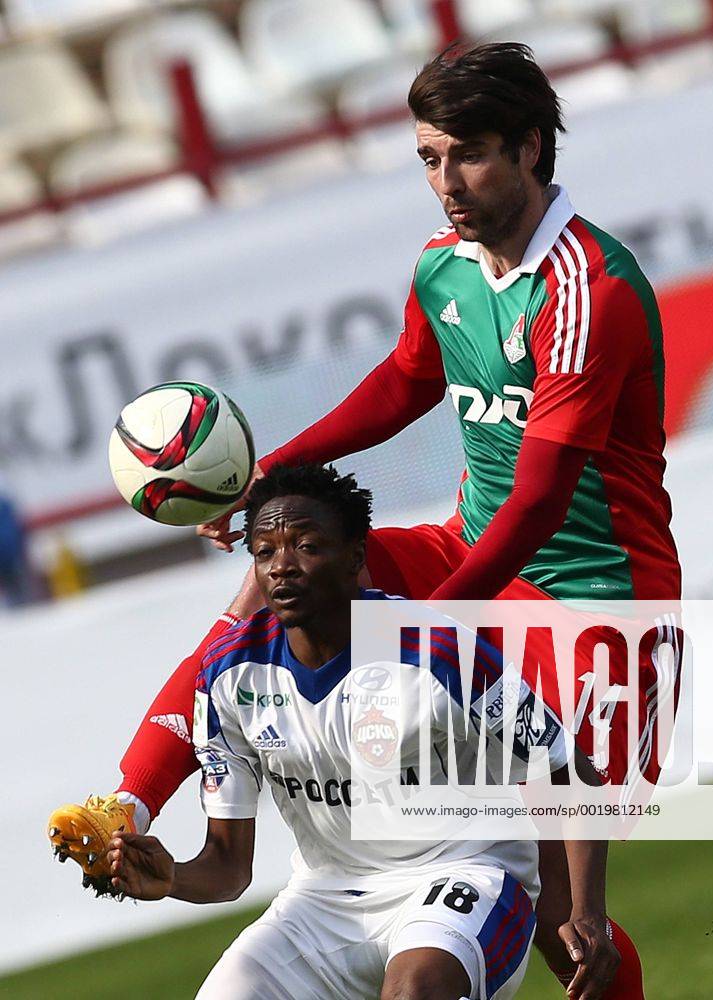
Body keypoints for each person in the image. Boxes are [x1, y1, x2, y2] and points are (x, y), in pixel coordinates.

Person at [49, 43, 679, 998]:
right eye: (428, 158)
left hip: (595, 600)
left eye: (467, 154)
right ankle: (128, 804)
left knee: (560, 911)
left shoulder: (588, 289)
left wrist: (419, 631)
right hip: (473, 552)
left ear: (532, 147)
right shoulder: (443, 266)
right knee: (274, 577)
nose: (445, 183)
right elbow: (406, 379)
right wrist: (275, 479)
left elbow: (543, 499)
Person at [98, 464, 611, 1000]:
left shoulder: (435, 650)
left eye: (305, 546)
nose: (282, 567)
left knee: (415, 992)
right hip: (324, 901)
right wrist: (173, 878)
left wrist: (586, 910)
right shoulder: (228, 676)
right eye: (265, 552)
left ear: (355, 558)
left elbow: (568, 767)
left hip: (467, 875)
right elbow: (228, 867)